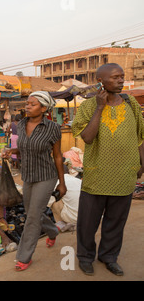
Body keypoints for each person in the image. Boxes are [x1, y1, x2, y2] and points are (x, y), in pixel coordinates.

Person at [71, 63, 144, 276]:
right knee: (88, 222)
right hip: (97, 174)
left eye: (122, 76)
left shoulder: (131, 104)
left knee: (116, 221)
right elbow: (87, 137)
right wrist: (100, 108)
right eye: (115, 77)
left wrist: (141, 163)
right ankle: (85, 257)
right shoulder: (88, 107)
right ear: (101, 81)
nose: (121, 80)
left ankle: (109, 256)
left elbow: (141, 136)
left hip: (125, 174)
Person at [2, 91, 67, 271]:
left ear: (44, 108)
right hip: (28, 175)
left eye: (32, 104)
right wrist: (11, 151)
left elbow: (57, 156)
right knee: (33, 212)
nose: (27, 106)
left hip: (46, 176)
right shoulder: (21, 124)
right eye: (27, 103)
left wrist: (62, 183)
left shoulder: (52, 128)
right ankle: (53, 230)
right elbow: (24, 148)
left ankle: (24, 256)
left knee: (31, 217)